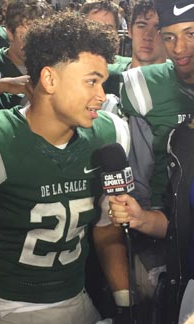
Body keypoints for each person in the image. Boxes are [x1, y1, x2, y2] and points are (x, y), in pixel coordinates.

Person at [0, 11, 131, 324]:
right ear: (49, 79)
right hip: (9, 305)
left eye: (103, 82)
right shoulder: (0, 140)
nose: (102, 95)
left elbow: (106, 225)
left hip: (78, 297)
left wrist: (125, 304)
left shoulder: (110, 134)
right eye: (91, 82)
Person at [108, 1, 194, 322]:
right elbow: (140, 172)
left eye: (190, 33)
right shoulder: (144, 86)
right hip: (164, 233)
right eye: (169, 37)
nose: (179, 47)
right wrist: (143, 221)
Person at [0, 0, 53, 110]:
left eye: (43, 37)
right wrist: (2, 86)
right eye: (27, 38)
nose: (36, 44)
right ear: (10, 33)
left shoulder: (55, 63)